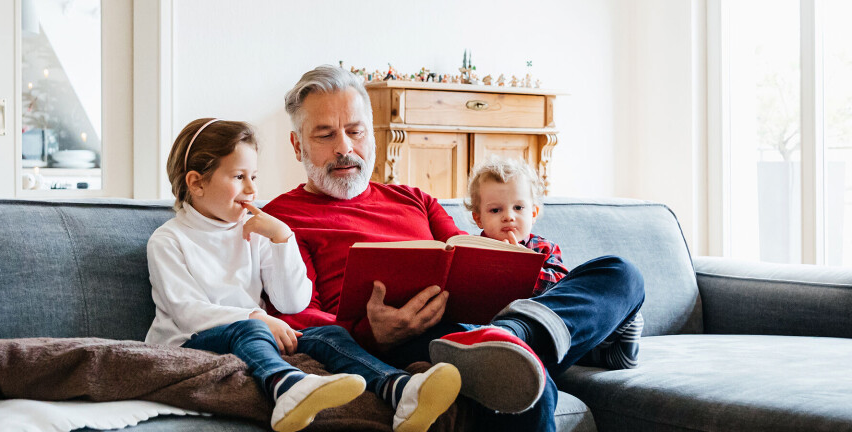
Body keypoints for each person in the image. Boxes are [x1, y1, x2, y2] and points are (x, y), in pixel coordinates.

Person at [262, 65, 646, 431]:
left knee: (620, 273)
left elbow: (467, 255)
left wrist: (507, 262)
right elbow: (298, 317)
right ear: (297, 145)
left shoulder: (414, 199)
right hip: (410, 344)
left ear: (373, 135)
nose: (344, 147)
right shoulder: (279, 220)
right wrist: (370, 334)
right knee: (531, 389)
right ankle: (525, 342)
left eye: (355, 131)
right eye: (325, 135)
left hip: (480, 325)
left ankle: (514, 334)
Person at [145, 118, 461, 432]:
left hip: (256, 334)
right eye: (239, 177)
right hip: (190, 342)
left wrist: (283, 239)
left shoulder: (256, 231)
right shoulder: (169, 240)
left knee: (331, 335)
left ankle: (399, 388)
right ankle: (287, 387)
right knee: (249, 331)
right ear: (197, 183)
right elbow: (188, 313)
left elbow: (293, 301)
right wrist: (256, 317)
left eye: (254, 176)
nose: (253, 189)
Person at [461, 156, 644, 371]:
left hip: (544, 323)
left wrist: (525, 266)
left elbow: (560, 288)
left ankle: (607, 347)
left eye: (518, 208)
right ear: (478, 218)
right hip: (488, 325)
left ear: (534, 213)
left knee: (620, 272)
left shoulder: (543, 248)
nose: (508, 217)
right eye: (495, 210)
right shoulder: (471, 250)